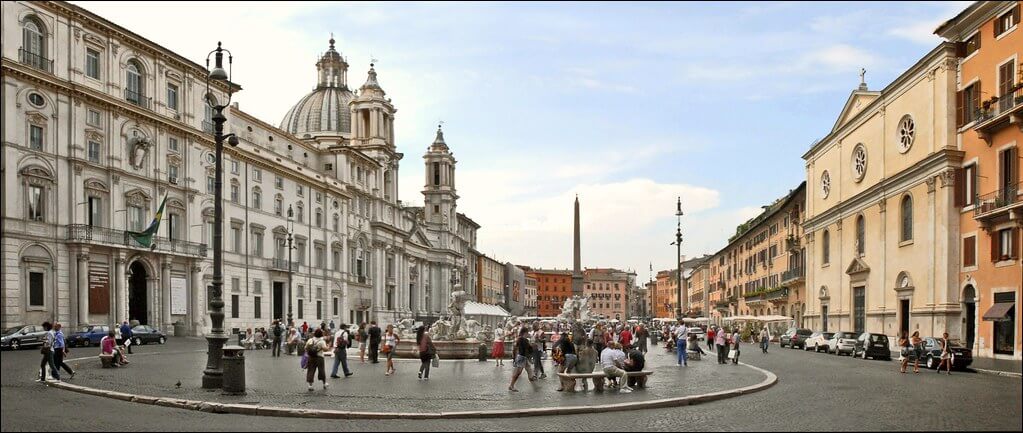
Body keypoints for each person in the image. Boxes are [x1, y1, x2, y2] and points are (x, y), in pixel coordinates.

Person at [508, 327, 535, 392]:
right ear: (525, 333)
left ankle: (533, 382)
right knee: (518, 372)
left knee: (529, 370)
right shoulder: (524, 340)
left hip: (522, 357)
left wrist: (515, 357)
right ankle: (511, 385)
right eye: (527, 332)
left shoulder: (520, 339)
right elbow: (528, 348)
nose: (528, 333)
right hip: (522, 357)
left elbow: (516, 347)